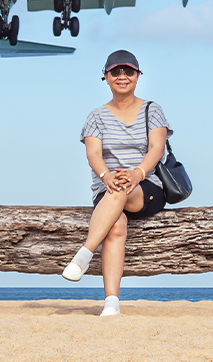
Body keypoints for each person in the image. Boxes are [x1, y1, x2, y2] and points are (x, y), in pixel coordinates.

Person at [62, 49, 170, 317]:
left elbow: (156, 148)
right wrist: (107, 176)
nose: (123, 76)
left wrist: (136, 173)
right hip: (108, 189)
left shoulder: (151, 110)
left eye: (129, 71)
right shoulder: (96, 116)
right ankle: (111, 303)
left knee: (125, 189)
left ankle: (84, 254)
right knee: (117, 225)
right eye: (116, 72)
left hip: (146, 187)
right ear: (106, 78)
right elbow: (93, 154)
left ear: (137, 76)